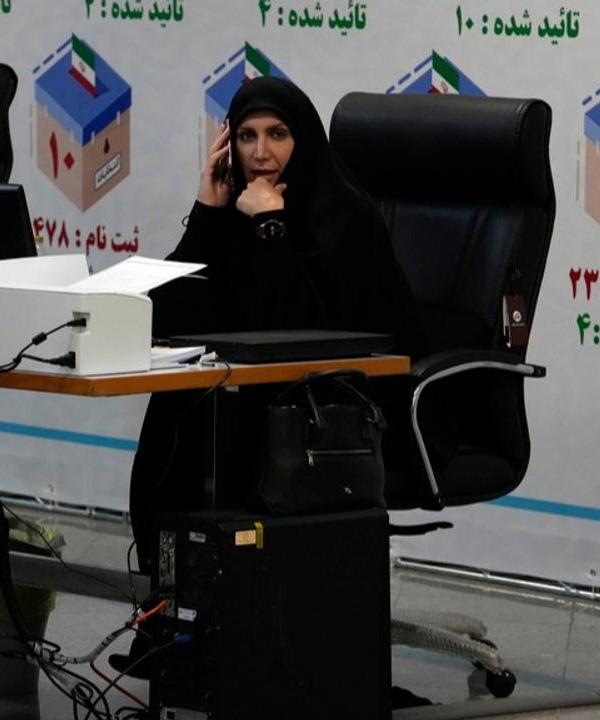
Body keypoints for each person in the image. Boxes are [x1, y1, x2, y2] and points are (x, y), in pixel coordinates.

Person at [115, 77, 421, 671]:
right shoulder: (236, 208)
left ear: (302, 140)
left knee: (216, 424)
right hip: (259, 396)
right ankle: (179, 619)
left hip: (342, 411)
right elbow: (171, 312)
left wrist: (271, 228)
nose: (261, 153)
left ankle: (237, 640)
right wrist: (208, 212)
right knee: (178, 409)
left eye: (277, 135)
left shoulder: (345, 219)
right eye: (248, 136)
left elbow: (300, 331)